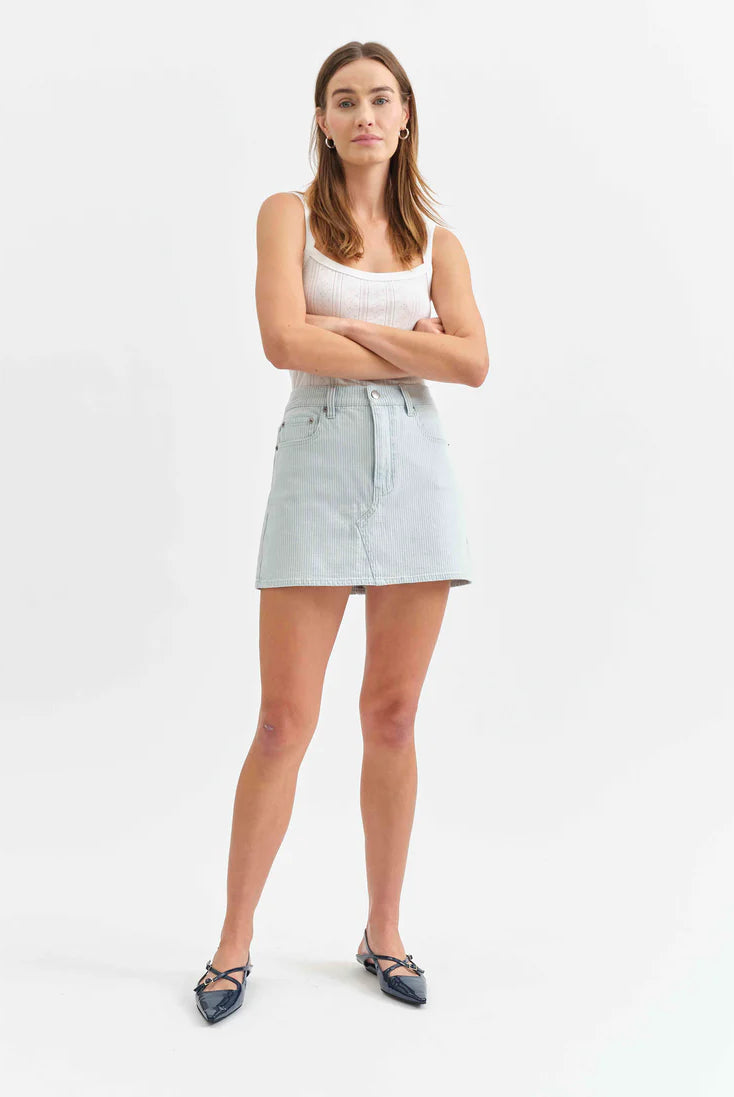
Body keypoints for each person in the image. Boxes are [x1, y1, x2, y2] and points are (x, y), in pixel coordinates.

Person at [193, 40, 489, 1023]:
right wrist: (409, 342)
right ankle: (234, 940)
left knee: (392, 715)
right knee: (283, 720)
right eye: (343, 99)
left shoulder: (435, 241)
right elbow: (282, 338)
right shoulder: (288, 215)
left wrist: (353, 334)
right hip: (315, 462)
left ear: (405, 116)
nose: (363, 113)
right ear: (321, 119)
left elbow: (476, 363)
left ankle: (383, 927)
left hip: (414, 466)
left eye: (381, 98)